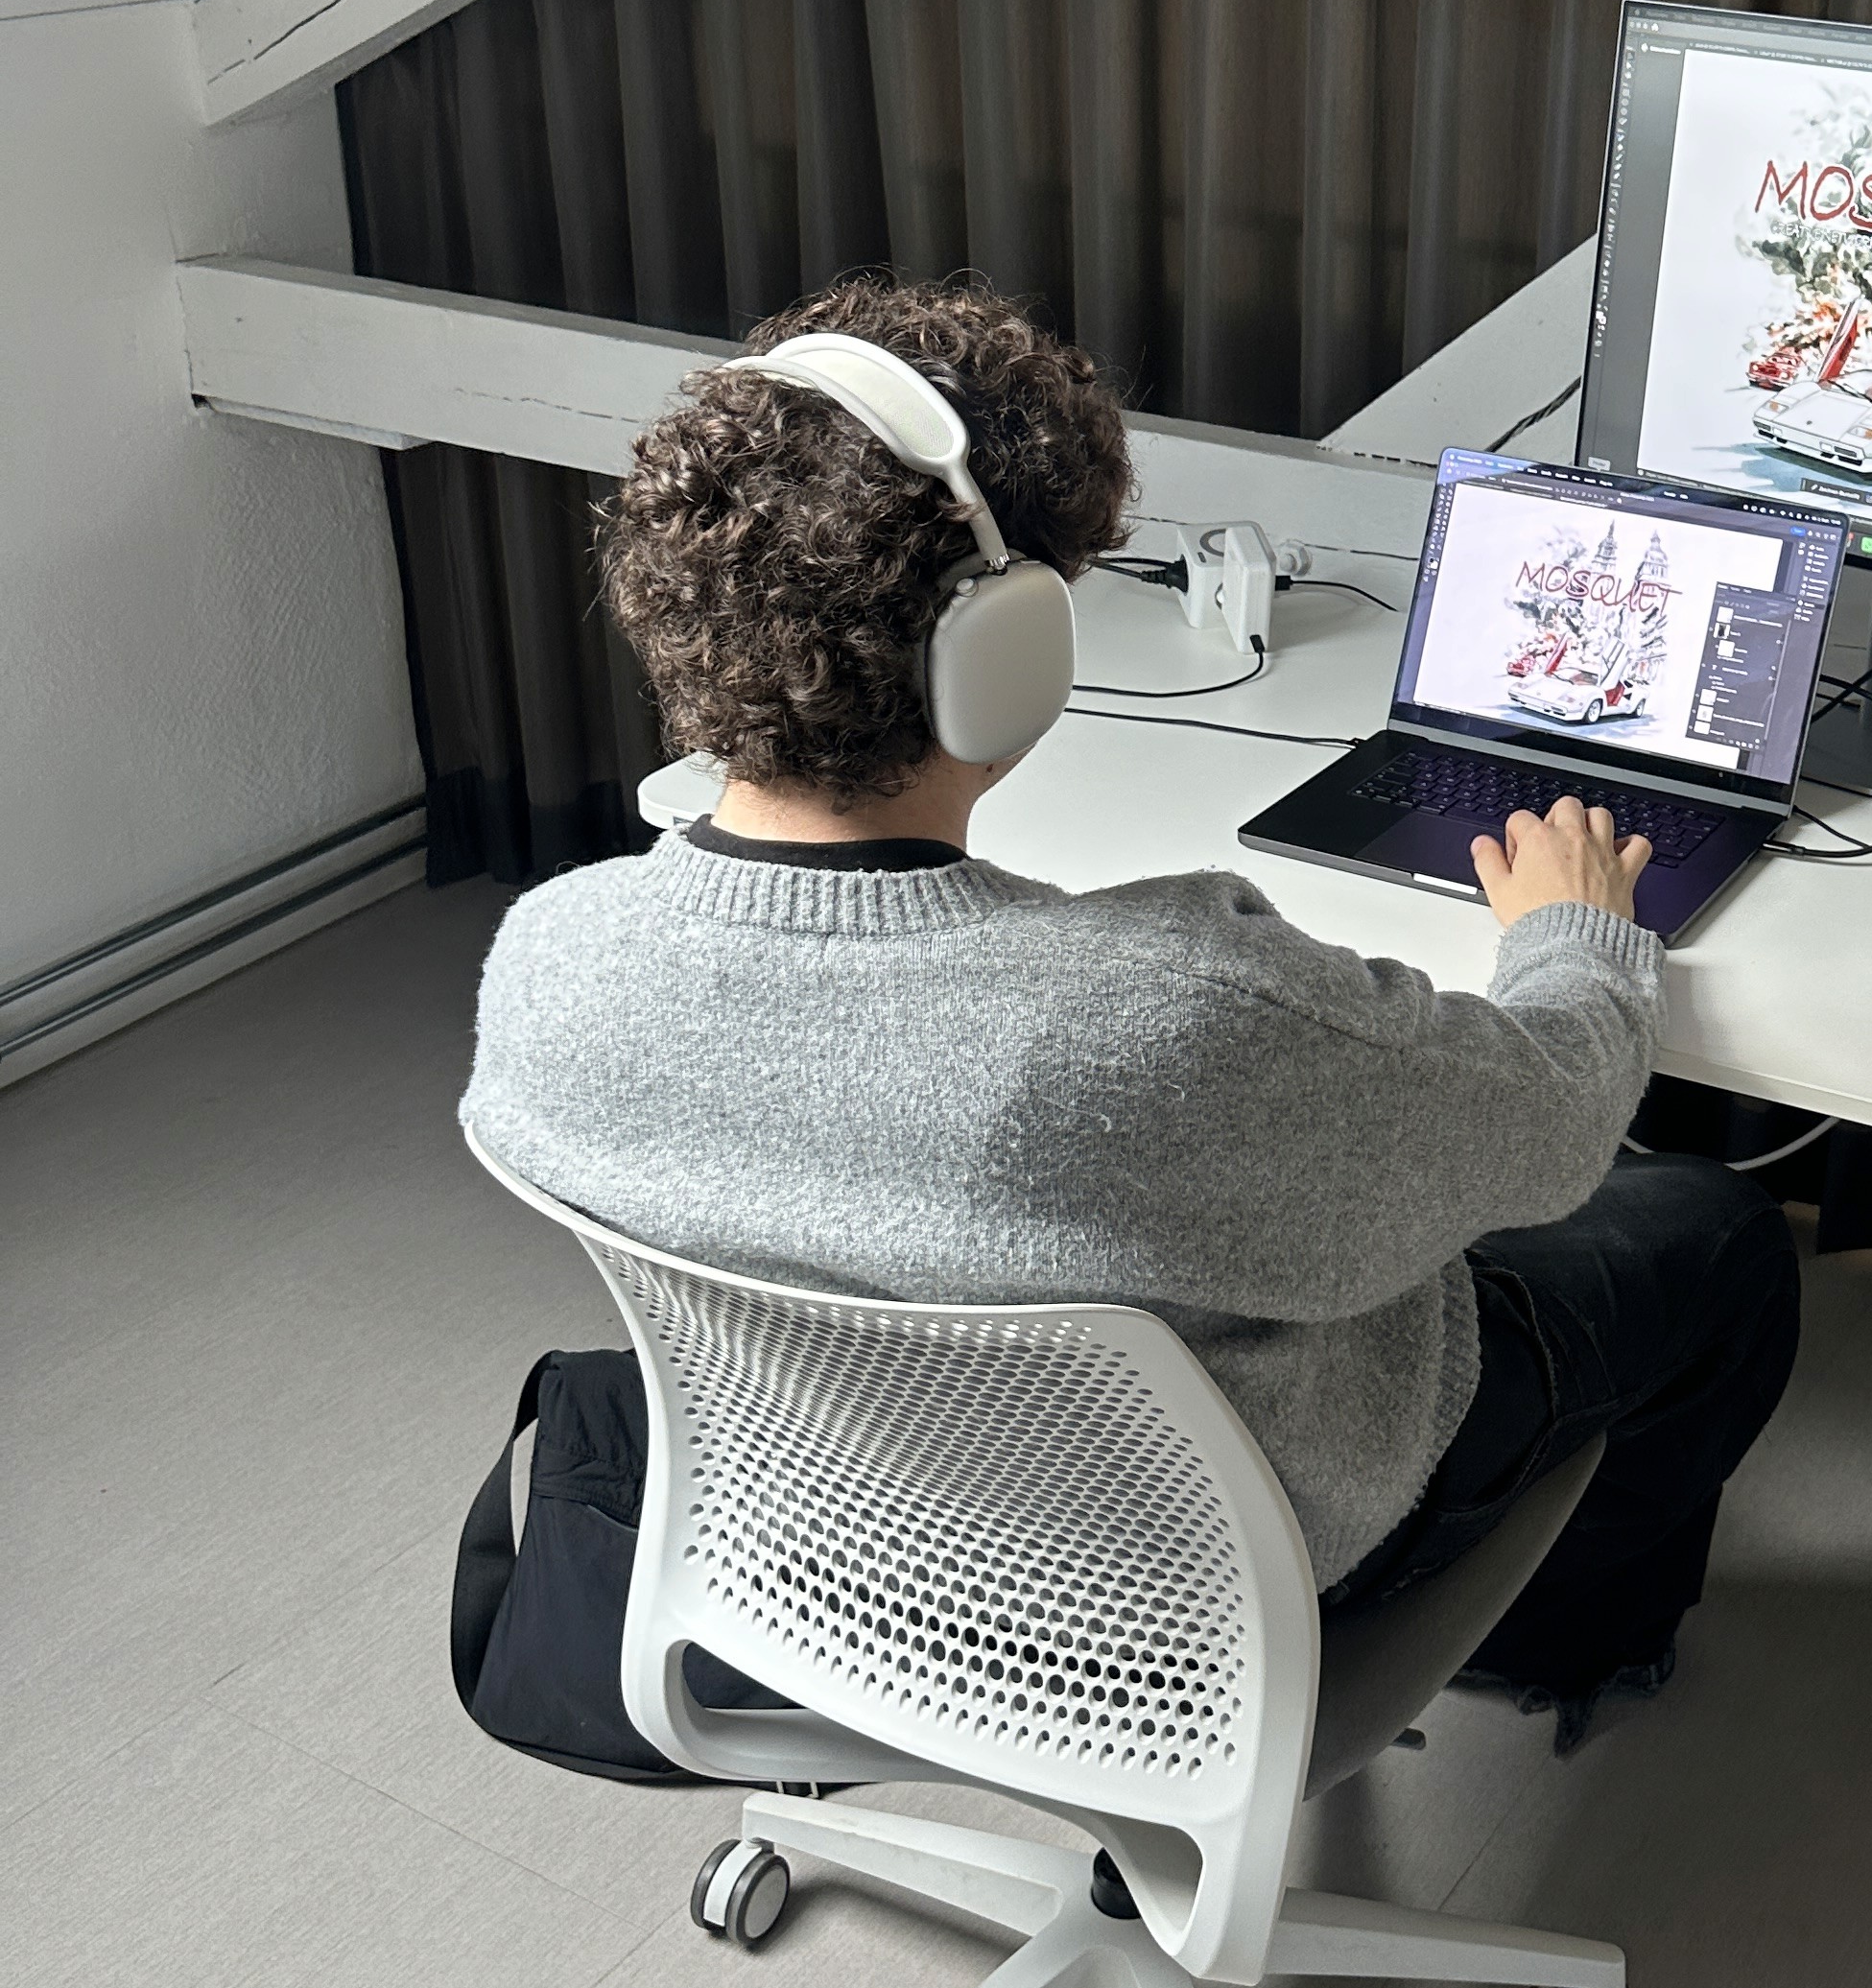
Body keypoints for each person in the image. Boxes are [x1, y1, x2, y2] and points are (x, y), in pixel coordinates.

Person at [462, 273, 1800, 1751]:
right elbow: (1552, 1127)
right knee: (1716, 1242)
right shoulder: (1166, 1012)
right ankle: (1559, 1640)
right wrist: (1575, 938)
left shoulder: (547, 963)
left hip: (829, 1559)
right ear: (1007, 646)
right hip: (1206, 1601)